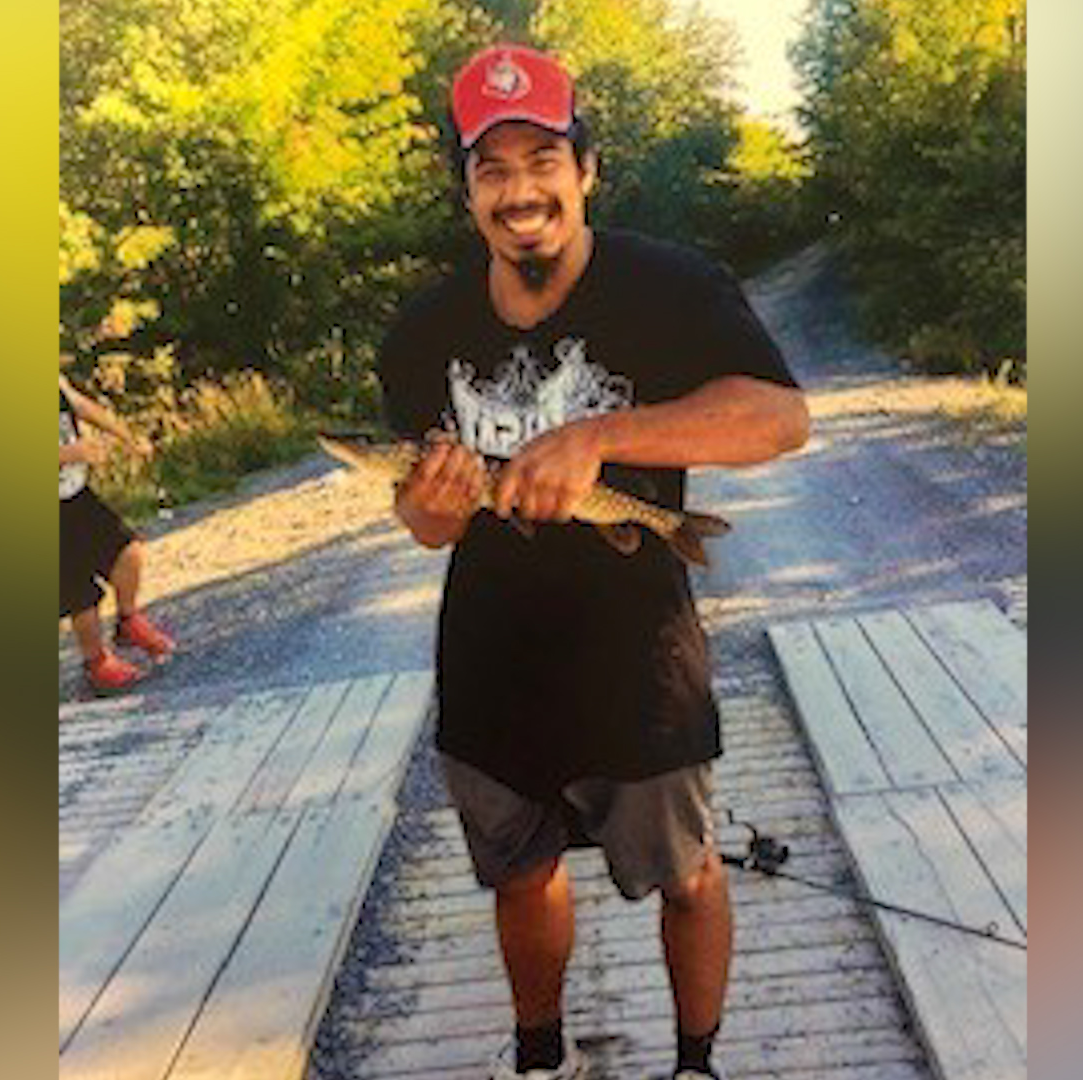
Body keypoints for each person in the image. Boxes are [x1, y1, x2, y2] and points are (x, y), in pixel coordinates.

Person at [377, 44, 811, 1080]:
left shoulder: (670, 288)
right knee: (519, 876)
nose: (520, 191)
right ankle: (540, 1060)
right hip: (492, 661)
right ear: (467, 191)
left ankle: (695, 1065)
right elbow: (427, 528)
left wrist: (602, 436)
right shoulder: (420, 332)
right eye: (492, 169)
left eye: (543, 160)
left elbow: (779, 420)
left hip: (640, 658)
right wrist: (429, 508)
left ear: (586, 168)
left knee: (689, 873)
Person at [60, 370, 176, 692]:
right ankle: (96, 664)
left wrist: (127, 436)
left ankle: (128, 621)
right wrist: (67, 454)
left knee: (127, 550)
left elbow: (82, 406)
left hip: (75, 494)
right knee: (80, 595)